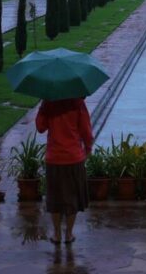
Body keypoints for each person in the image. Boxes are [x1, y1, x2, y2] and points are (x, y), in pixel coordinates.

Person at [35, 97, 93, 245]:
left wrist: (42, 107)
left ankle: (56, 234)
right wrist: (87, 148)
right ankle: (68, 233)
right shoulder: (77, 102)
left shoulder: (49, 102)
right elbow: (85, 128)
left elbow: (40, 127)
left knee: (54, 197)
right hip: (74, 157)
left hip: (54, 158)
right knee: (72, 197)